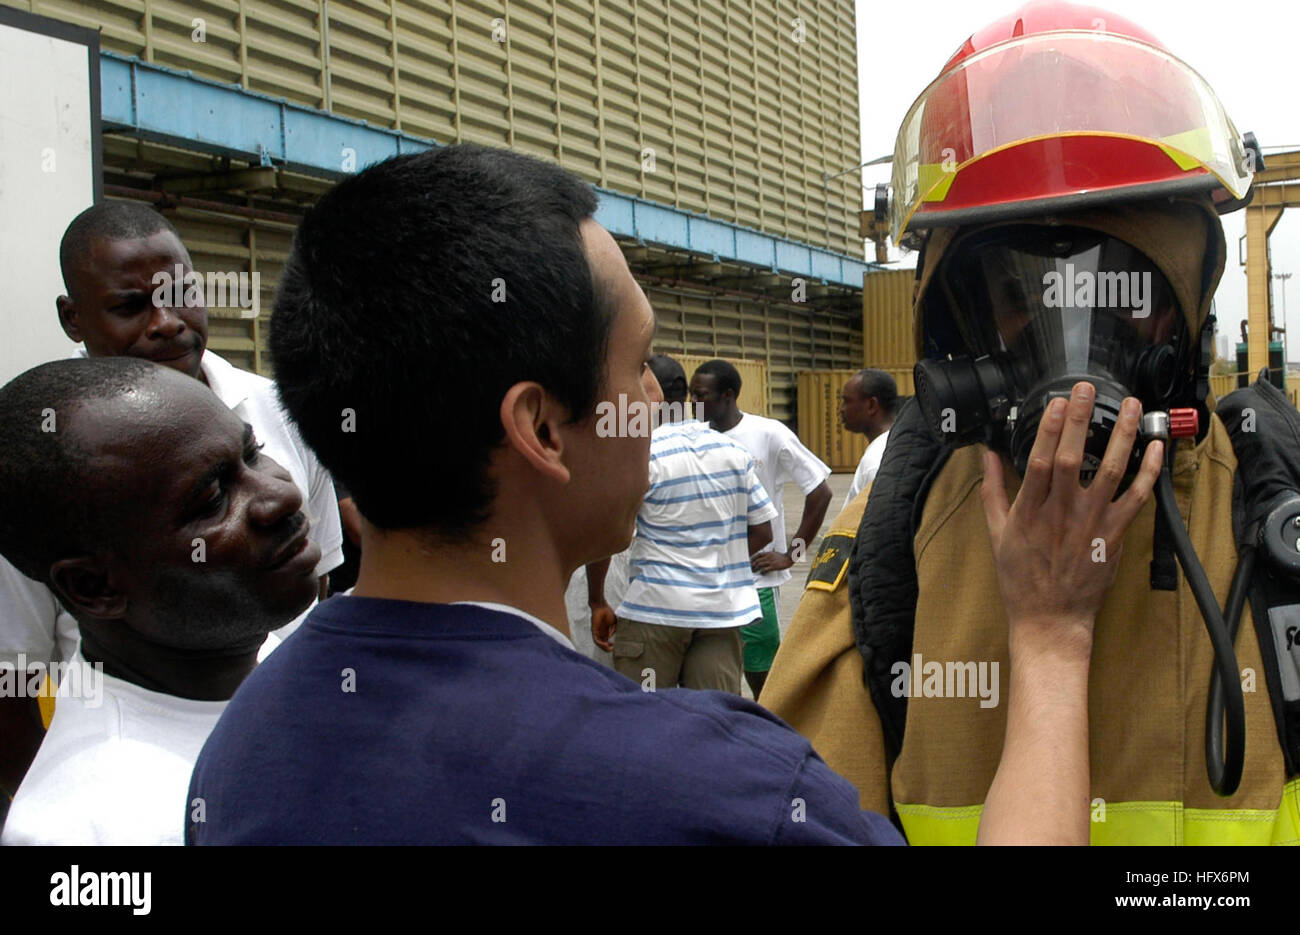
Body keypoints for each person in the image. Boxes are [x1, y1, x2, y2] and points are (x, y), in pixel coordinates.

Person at [184, 142, 1146, 845]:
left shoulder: (244, 744)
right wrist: (1052, 634)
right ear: (543, 429)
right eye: (640, 366)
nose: (655, 401)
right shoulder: (710, 794)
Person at [761, 1, 1300, 845]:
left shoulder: (1276, 530)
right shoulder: (898, 538)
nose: (1072, 351)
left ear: (1183, 316)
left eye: (1121, 287)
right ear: (960, 327)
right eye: (1020, 296)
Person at [0, 202, 344, 804]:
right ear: (73, 318)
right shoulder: (42, 470)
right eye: (131, 306)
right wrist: (76, 798)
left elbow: (315, 594)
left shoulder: (283, 407)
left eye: (180, 292)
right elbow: (10, 679)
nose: (167, 322)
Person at [0, 358, 321, 845]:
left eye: (252, 453)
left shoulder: (271, 661)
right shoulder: (84, 831)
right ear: (94, 588)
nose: (280, 497)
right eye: (213, 498)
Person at [587, 354, 777, 693]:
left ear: (650, 396)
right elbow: (763, 530)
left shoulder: (641, 454)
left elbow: (607, 535)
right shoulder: (732, 452)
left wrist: (597, 600)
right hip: (722, 615)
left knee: (645, 722)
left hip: (655, 612)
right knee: (712, 723)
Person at [690, 359, 832, 698]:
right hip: (705, 579)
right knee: (714, 676)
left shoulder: (769, 434)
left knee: (763, 678)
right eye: (690, 394)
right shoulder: (691, 437)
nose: (692, 402)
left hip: (756, 580)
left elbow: (820, 491)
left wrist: (791, 555)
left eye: (701, 395)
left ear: (727, 395)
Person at [839, 369, 898, 509]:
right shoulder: (897, 443)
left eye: (847, 401)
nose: (842, 409)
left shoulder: (876, 462)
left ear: (872, 405)